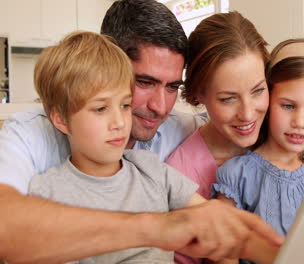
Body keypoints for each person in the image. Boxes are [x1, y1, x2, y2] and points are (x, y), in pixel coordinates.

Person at [0, 1, 283, 263]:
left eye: (173, 86)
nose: (161, 107)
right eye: (144, 83)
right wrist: (156, 228)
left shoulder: (178, 132)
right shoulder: (31, 135)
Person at [30, 30, 209, 263]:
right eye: (100, 109)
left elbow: (212, 219)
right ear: (61, 119)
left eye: (125, 105)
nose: (119, 123)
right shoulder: (47, 195)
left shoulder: (150, 169)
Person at [212, 38, 304, 263]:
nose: (299, 122)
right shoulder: (237, 175)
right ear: (267, 99)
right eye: (288, 106)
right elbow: (226, 254)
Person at [165, 12, 276, 264]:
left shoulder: (289, 133)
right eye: (228, 99)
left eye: (258, 91)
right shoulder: (181, 176)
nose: (248, 113)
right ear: (199, 94)